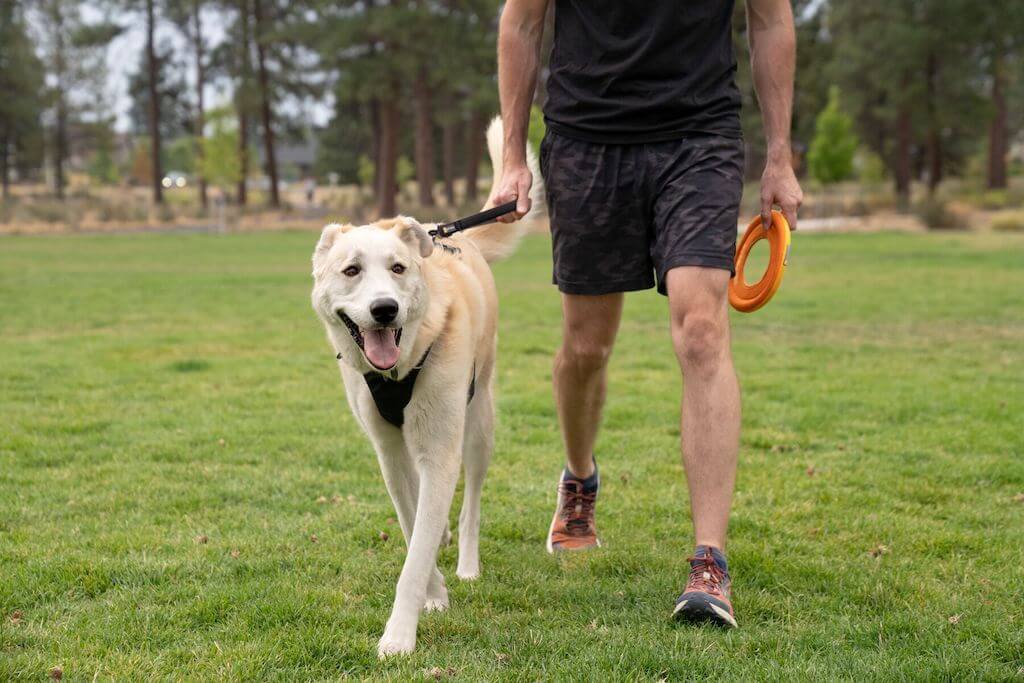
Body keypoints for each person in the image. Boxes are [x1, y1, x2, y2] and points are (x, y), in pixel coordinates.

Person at [488, 0, 802, 628]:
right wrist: (513, 160)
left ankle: (709, 561)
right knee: (587, 346)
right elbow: (521, 21)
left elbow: (770, 19)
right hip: (586, 137)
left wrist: (779, 155)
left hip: (700, 135)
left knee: (702, 330)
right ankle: (579, 478)